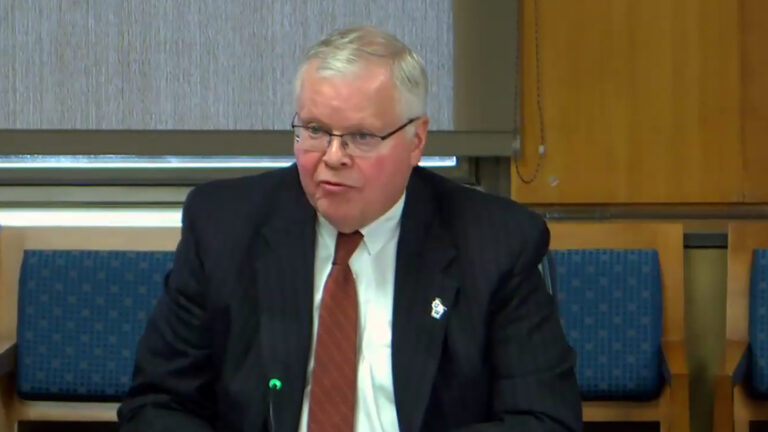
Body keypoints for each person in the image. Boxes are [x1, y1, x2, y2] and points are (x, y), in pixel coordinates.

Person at [118, 26, 582, 432]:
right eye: (315, 130)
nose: (333, 157)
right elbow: (159, 403)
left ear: (416, 140)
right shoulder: (224, 226)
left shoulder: (497, 243)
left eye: (361, 136)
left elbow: (543, 419)